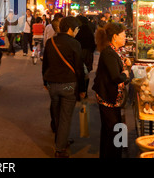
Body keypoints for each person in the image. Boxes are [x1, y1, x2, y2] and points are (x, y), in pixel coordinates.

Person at [42, 16, 86, 158]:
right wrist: (82, 89)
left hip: (52, 85)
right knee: (65, 117)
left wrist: (45, 82)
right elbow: (79, 69)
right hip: (68, 86)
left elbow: (45, 65)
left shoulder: (50, 42)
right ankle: (60, 149)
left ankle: (61, 139)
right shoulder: (75, 44)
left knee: (57, 113)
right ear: (70, 29)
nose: (77, 32)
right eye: (76, 29)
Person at [92, 22, 131, 159]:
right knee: (112, 130)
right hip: (108, 97)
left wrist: (124, 63)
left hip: (112, 97)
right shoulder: (109, 53)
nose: (125, 37)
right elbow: (116, 77)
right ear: (115, 36)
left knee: (111, 129)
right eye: (123, 34)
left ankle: (110, 154)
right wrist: (127, 74)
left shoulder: (114, 51)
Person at [75, 15, 97, 96]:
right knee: (86, 74)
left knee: (78, 73)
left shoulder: (77, 30)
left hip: (80, 54)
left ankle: (79, 91)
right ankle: (85, 91)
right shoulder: (89, 30)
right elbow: (93, 44)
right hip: (88, 54)